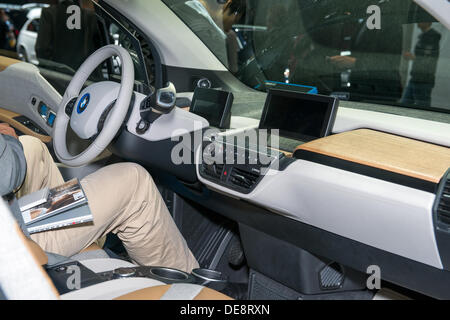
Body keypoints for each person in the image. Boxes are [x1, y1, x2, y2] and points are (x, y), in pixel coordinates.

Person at [0, 123, 198, 273]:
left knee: (32, 147)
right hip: (9, 240)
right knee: (134, 181)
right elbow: (7, 174)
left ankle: (76, 235)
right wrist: (8, 141)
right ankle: (185, 285)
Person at [171, 0, 245, 72]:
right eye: (235, 19)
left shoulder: (173, 9)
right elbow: (220, 81)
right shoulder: (213, 41)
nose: (231, 26)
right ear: (227, 5)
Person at [35, 0, 101, 73]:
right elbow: (101, 46)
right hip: (82, 75)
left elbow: (42, 48)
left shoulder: (49, 13)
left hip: (55, 75)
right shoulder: (90, 16)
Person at [401, 22, 441, 108]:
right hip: (416, 77)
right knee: (404, 105)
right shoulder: (424, 36)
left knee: (422, 107)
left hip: (423, 79)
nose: (418, 22)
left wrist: (413, 57)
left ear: (428, 23)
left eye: (422, 20)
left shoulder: (432, 37)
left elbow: (428, 59)